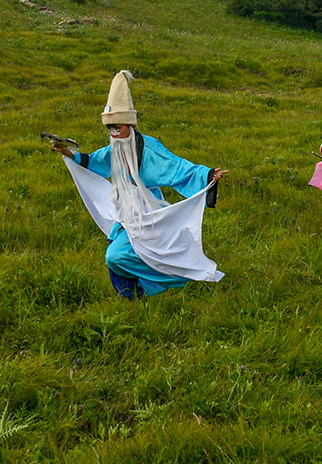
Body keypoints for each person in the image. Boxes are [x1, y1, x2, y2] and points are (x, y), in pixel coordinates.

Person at [50, 70, 227, 298]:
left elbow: (175, 166)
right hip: (127, 212)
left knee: (126, 255)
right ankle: (135, 295)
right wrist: (68, 152)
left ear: (130, 126)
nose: (114, 135)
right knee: (118, 256)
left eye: (118, 129)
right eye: (110, 130)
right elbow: (93, 161)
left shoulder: (149, 149)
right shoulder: (114, 149)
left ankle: (161, 281)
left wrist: (208, 175)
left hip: (150, 211)